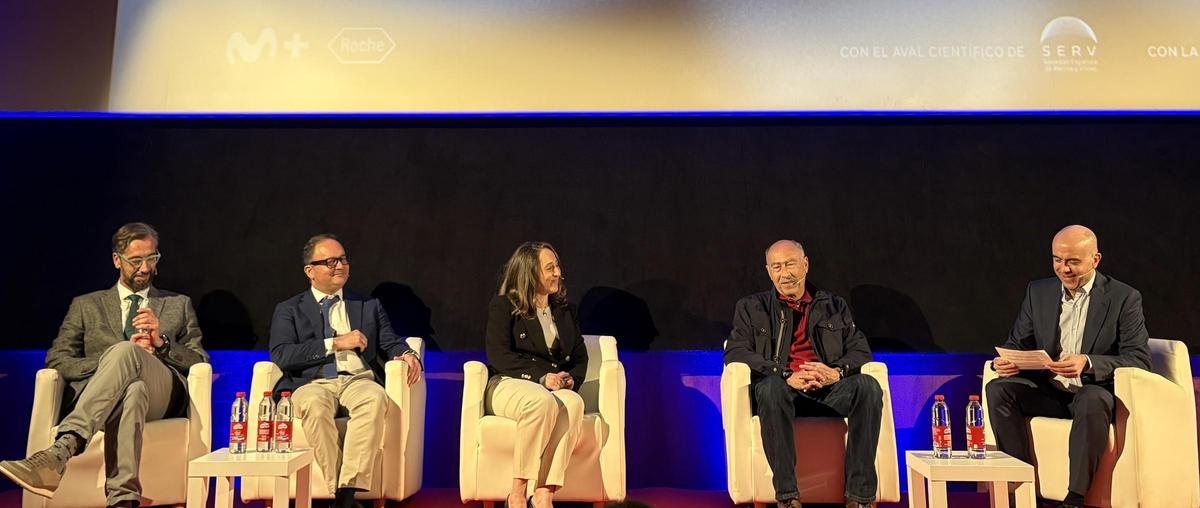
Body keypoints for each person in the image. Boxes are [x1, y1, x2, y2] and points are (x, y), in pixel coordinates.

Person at [0, 222, 209, 508]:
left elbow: (199, 361)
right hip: (112, 399)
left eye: (152, 258)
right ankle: (123, 500)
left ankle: (61, 451)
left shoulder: (178, 304)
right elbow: (58, 358)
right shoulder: (87, 305)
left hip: (162, 394)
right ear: (116, 260)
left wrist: (162, 344)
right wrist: (114, 360)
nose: (146, 268)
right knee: (132, 388)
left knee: (131, 360)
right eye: (136, 261)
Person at [986, 225, 1150, 508]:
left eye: (1073, 261)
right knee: (999, 389)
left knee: (1091, 399)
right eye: (1057, 260)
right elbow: (1018, 343)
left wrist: (1087, 362)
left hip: (1094, 391)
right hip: (1051, 391)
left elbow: (1139, 360)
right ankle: (1023, 489)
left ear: (1095, 259)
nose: (1064, 269)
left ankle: (1074, 500)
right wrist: (1009, 362)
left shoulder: (1124, 298)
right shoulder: (1038, 292)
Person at [725, 239, 882, 508]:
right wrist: (783, 373)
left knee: (868, 386)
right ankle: (787, 497)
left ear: (805, 265)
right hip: (783, 391)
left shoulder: (834, 305)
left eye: (790, 264)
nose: (784, 273)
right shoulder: (752, 307)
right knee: (770, 388)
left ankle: (860, 497)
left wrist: (835, 372)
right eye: (776, 266)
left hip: (827, 389)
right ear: (768, 270)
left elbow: (861, 351)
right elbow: (735, 352)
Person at [268, 234, 421, 508]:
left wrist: (408, 354)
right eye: (330, 261)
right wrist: (335, 343)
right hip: (310, 383)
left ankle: (346, 495)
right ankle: (342, 495)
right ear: (310, 271)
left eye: (343, 259)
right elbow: (282, 354)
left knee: (374, 398)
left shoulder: (368, 305)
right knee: (314, 405)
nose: (340, 265)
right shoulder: (289, 309)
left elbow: (390, 341)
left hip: (356, 380)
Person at [484, 242, 588, 508]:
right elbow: (498, 356)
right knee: (540, 401)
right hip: (509, 383)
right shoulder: (504, 306)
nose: (558, 273)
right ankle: (517, 493)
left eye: (558, 267)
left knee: (574, 402)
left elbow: (579, 357)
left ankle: (544, 493)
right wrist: (543, 377)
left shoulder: (564, 311)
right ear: (530, 272)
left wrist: (569, 380)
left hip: (551, 387)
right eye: (549, 268)